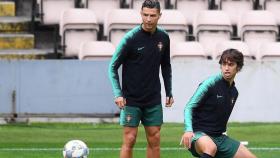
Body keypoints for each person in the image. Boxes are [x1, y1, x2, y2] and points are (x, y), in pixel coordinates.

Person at [108, 0, 174, 158]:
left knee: (155, 139)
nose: (149, 19)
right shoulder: (130, 39)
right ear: (141, 14)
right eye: (145, 15)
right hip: (131, 99)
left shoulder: (164, 38)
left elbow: (166, 66)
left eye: (152, 15)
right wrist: (118, 93)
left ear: (159, 16)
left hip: (153, 98)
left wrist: (169, 91)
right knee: (130, 139)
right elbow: (112, 67)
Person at [181, 49, 257, 158]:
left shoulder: (234, 93)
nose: (226, 68)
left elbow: (220, 117)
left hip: (219, 138)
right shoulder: (210, 83)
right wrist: (188, 130)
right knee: (210, 148)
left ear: (238, 68)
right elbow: (189, 107)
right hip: (198, 135)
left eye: (231, 65)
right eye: (224, 64)